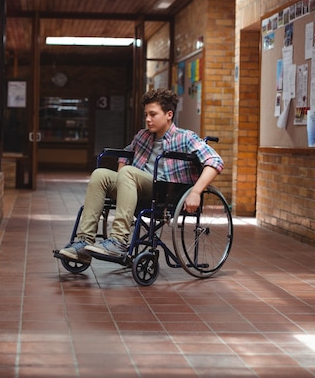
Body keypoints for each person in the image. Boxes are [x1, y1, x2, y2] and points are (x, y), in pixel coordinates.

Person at [58, 88, 224, 263]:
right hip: (135, 186)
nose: (147, 119)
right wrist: (121, 174)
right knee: (100, 174)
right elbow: (125, 153)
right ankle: (84, 242)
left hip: (165, 191)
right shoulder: (142, 136)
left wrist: (196, 192)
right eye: (146, 114)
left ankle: (119, 240)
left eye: (153, 114)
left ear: (169, 114)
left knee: (128, 173)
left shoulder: (185, 137)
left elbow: (215, 161)